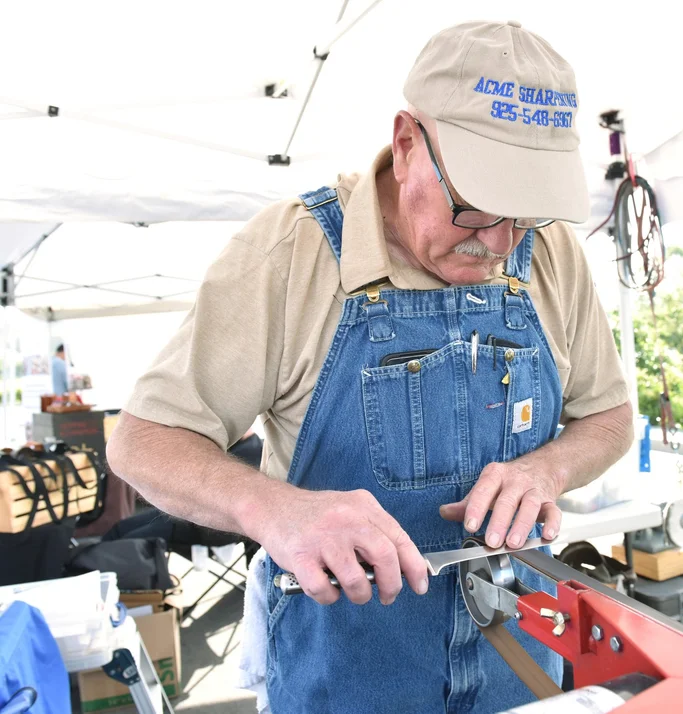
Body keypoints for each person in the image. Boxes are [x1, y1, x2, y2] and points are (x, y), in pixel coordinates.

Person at [108, 20, 633, 714]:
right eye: (475, 210)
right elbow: (142, 442)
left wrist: (548, 470)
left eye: (524, 217)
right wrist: (278, 512)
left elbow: (610, 415)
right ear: (408, 142)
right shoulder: (292, 253)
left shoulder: (550, 253)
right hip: (345, 682)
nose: (499, 244)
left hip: (523, 671)